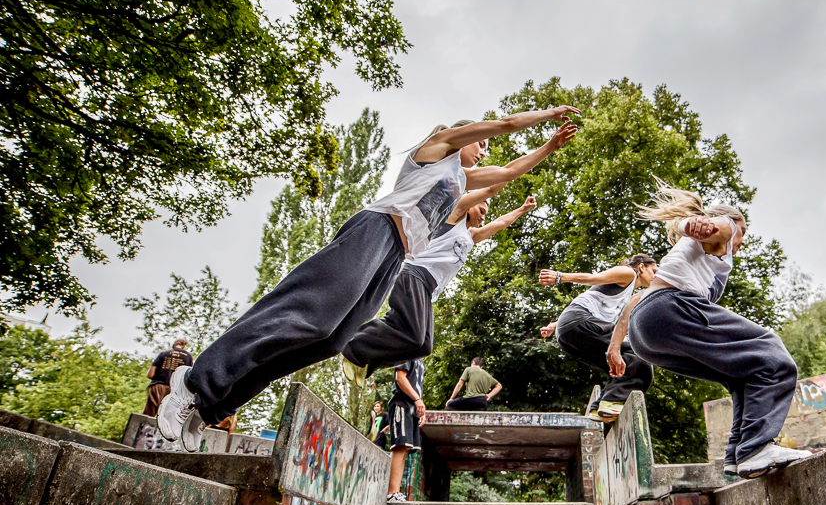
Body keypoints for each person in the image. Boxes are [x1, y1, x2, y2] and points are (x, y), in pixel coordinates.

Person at [157, 107, 580, 452]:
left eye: (488, 146)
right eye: (481, 142)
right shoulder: (435, 150)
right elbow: (505, 125)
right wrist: (549, 115)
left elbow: (507, 173)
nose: (486, 149)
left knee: (329, 339)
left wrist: (548, 146)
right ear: (460, 134)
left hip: (394, 259)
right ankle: (194, 383)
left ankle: (212, 407)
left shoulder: (460, 182)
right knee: (304, 314)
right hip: (375, 232)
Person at [606, 183, 810, 480]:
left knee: (741, 373)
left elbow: (634, 302)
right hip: (669, 308)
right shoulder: (726, 227)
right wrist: (690, 223)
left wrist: (616, 343)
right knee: (770, 352)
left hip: (645, 332)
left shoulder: (696, 257)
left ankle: (741, 454)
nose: (741, 242)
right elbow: (699, 226)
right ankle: (756, 448)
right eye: (744, 233)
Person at [342, 186, 538, 381]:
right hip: (415, 273)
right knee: (415, 336)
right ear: (470, 206)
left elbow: (500, 223)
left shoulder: (471, 237)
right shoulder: (454, 217)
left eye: (486, 214)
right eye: (481, 211)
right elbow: (488, 190)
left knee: (424, 346)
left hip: (427, 289)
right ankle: (354, 346)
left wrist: (522, 209)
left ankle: (367, 361)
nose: (483, 217)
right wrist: (504, 179)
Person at [538, 255, 657, 422]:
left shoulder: (628, 297)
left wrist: (555, 325)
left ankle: (601, 409)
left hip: (570, 330)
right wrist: (560, 276)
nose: (655, 276)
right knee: (639, 357)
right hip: (581, 321)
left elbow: (594, 303)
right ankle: (612, 401)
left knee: (619, 365)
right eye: (654, 271)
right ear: (642, 267)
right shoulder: (628, 274)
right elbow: (594, 278)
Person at [386, 359, 425, 503]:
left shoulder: (421, 359)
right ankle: (391, 493)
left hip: (412, 408)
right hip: (401, 403)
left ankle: (395, 492)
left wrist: (420, 407)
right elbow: (400, 377)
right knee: (400, 445)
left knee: (406, 449)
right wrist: (417, 399)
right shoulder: (409, 349)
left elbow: (416, 386)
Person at [142, 339, 194, 417]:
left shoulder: (163, 354)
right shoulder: (189, 357)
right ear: (183, 346)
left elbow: (150, 374)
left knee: (148, 415)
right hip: (175, 391)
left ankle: (143, 428)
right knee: (168, 419)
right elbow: (189, 376)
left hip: (158, 387)